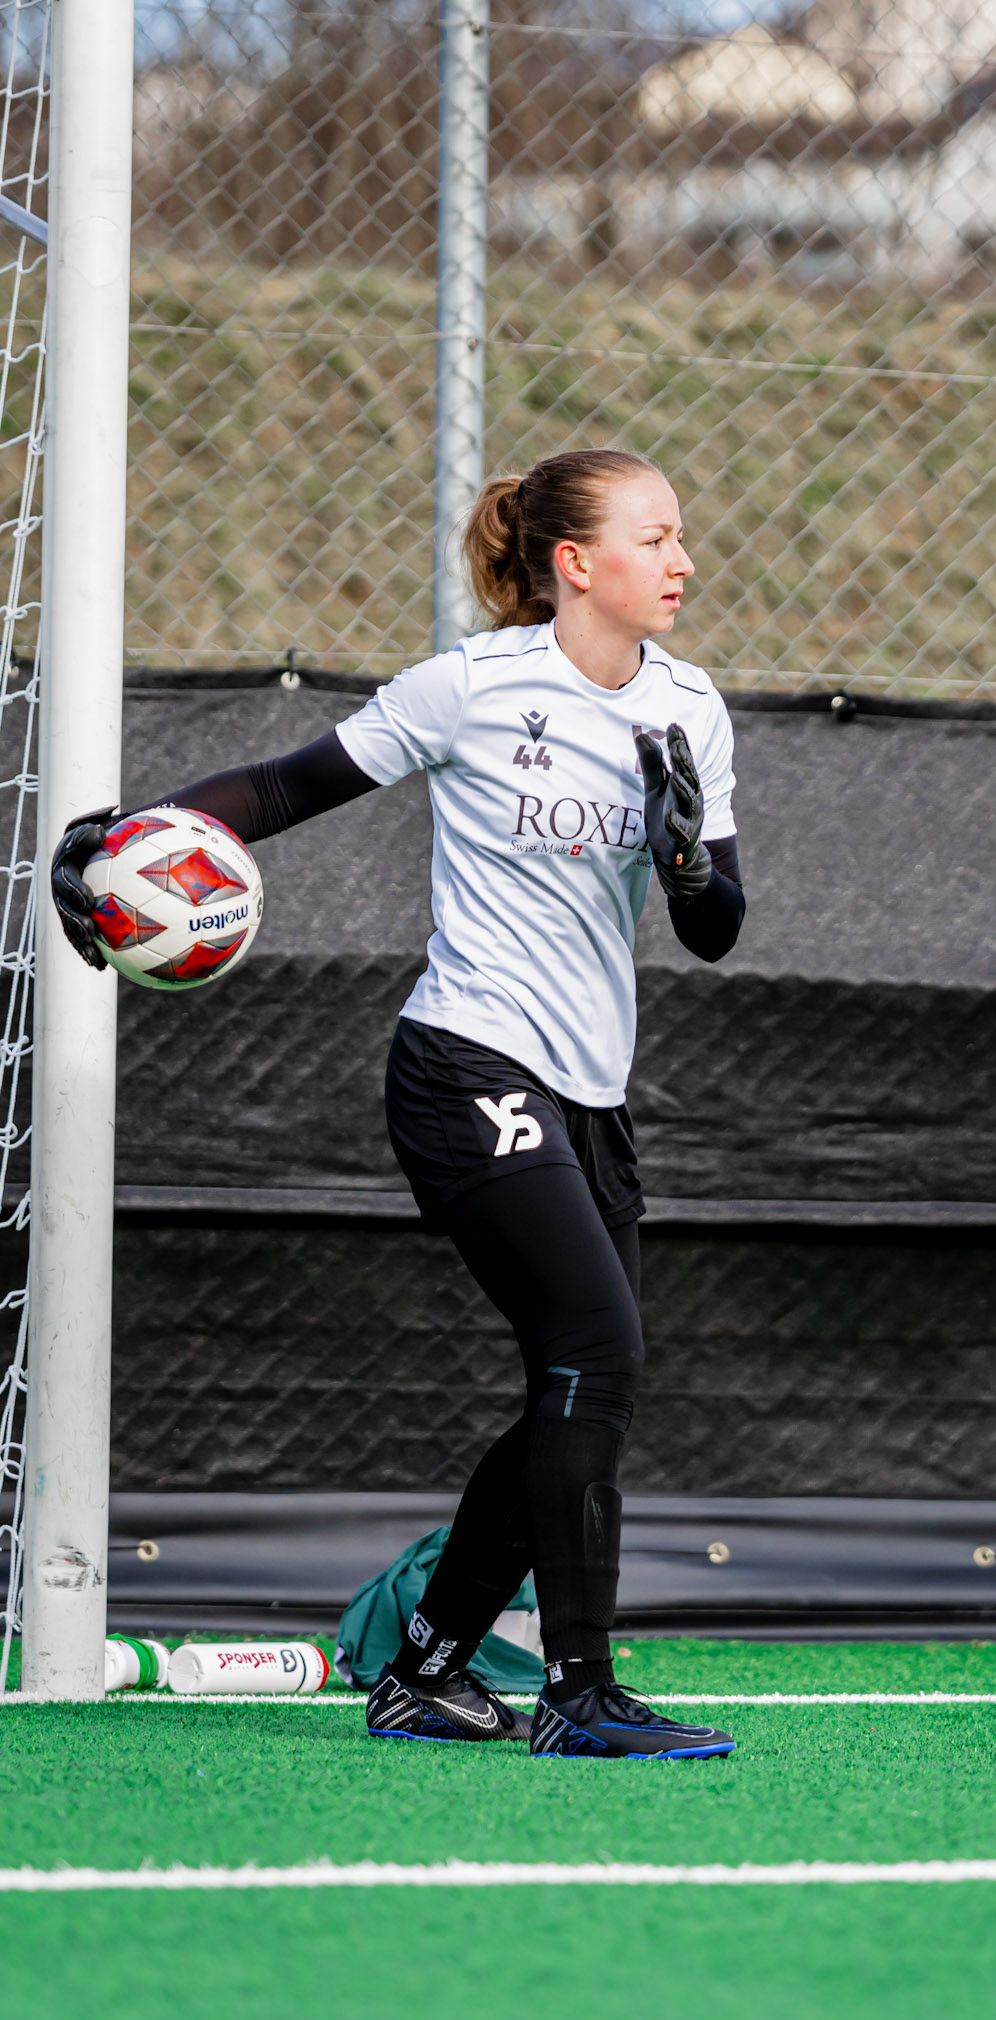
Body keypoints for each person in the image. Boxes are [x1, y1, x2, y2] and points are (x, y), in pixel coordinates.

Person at [51, 448, 744, 1760]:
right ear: (574, 565)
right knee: (596, 1350)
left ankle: (426, 1664)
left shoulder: (688, 712)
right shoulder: (472, 688)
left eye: (681, 538)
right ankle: (578, 1693)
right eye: (655, 538)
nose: (683, 561)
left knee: (577, 1377)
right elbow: (285, 788)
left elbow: (713, 926)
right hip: (464, 1066)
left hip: (590, 1096)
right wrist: (127, 837)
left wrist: (679, 849)